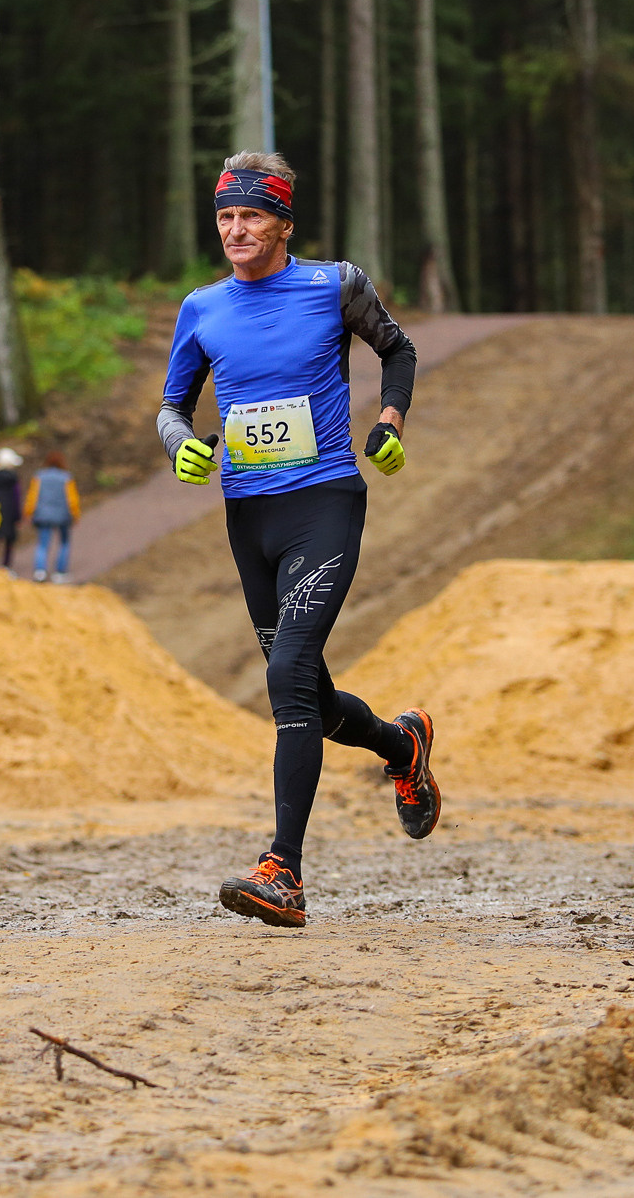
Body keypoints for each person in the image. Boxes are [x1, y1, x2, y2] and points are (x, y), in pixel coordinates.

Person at [158, 151, 440, 930]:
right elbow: (173, 406)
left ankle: (283, 870)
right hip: (248, 517)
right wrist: (180, 447)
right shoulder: (202, 308)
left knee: (286, 672)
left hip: (323, 502)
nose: (236, 229)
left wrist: (390, 420)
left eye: (251, 215)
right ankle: (402, 747)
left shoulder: (334, 285)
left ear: (283, 223)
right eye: (225, 216)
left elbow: (398, 348)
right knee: (306, 693)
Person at [23, 451, 81, 582]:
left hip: (43, 515)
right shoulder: (66, 477)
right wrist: (76, 514)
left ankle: (40, 571)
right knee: (64, 543)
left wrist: (28, 512)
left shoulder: (39, 476)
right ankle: (60, 573)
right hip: (62, 516)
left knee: (43, 544)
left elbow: (33, 496)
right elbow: (72, 498)